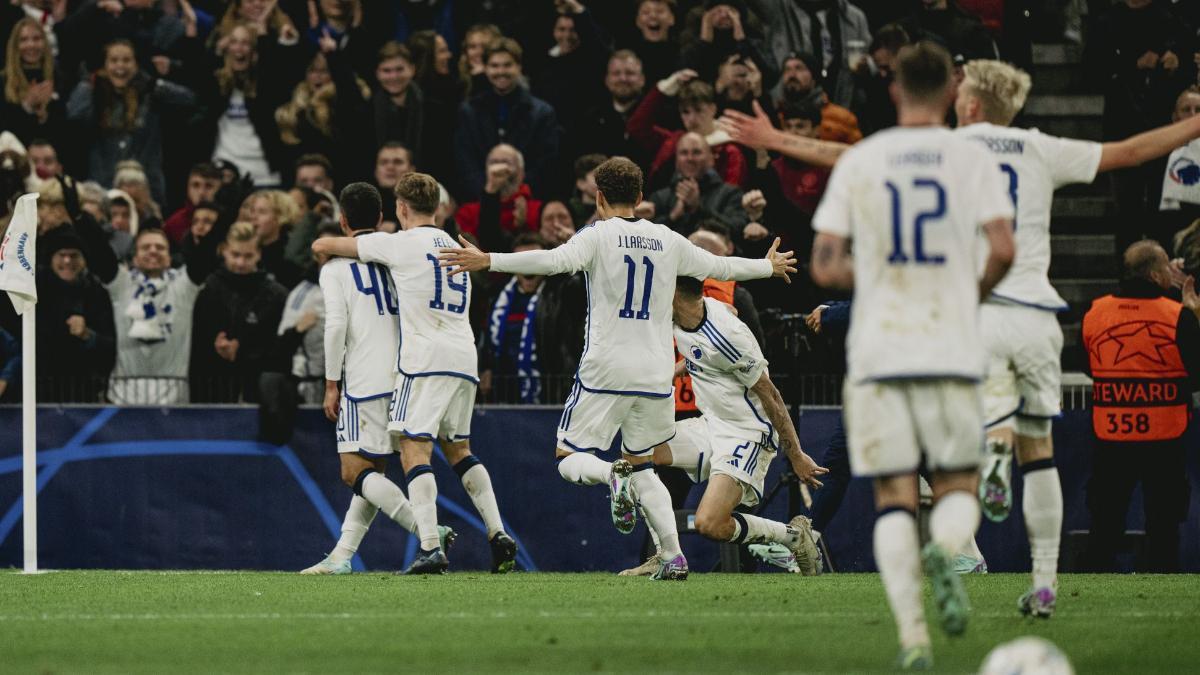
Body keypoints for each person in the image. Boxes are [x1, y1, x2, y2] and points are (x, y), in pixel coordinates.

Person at [438, 157, 798, 581]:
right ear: (641, 197)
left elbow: (553, 261)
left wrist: (489, 260)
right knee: (644, 463)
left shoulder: (598, 234)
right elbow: (720, 266)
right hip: (655, 372)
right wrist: (767, 267)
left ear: (599, 197)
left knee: (568, 456)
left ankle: (613, 475)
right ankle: (672, 555)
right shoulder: (667, 238)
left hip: (606, 368)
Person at [808, 42, 1015, 669]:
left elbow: (824, 264)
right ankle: (953, 550)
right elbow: (1002, 250)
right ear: (953, 92)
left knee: (895, 493)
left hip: (879, 351)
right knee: (953, 483)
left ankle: (913, 640)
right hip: (947, 344)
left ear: (894, 89)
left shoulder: (863, 159)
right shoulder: (971, 158)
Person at [312, 174, 517, 575]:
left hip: (417, 362)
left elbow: (327, 250)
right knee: (459, 449)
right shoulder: (457, 246)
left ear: (401, 210)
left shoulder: (396, 245)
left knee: (402, 453)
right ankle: (497, 532)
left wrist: (331, 381)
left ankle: (428, 541)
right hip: (463, 357)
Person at [619, 275, 827, 577]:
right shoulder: (689, 316)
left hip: (747, 433)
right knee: (638, 451)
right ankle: (667, 554)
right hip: (711, 425)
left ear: (675, 294)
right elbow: (698, 353)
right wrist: (671, 374)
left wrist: (795, 455)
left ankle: (793, 536)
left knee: (710, 524)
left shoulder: (729, 336)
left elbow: (772, 396)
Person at [301, 184, 456, 575]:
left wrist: (331, 382)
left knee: (353, 470)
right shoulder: (398, 256)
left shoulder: (336, 268)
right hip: (408, 374)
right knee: (374, 470)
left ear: (342, 221)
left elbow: (335, 326)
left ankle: (426, 530)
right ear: (383, 216)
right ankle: (341, 556)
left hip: (365, 378)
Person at [1082, 241, 1200, 573]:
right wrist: (1195, 312)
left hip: (1112, 435)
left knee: (1104, 524)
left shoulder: (1096, 311)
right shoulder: (1177, 315)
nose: (1170, 273)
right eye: (1166, 267)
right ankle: (1161, 585)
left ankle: (1090, 592)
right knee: (1163, 527)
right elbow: (1197, 374)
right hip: (1164, 438)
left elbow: (1089, 365)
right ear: (1153, 274)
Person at [66, 39, 196, 205]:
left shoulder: (150, 95)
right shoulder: (95, 96)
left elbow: (189, 100)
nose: (120, 66)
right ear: (105, 65)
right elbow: (74, 115)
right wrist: (88, 83)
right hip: (103, 187)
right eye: (114, 60)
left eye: (127, 60)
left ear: (136, 64)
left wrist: (154, 84)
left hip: (146, 188)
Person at [101, 226, 217, 404]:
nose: (153, 251)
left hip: (172, 399)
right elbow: (98, 249)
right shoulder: (122, 283)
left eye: (160, 247)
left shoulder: (183, 286)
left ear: (169, 259)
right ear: (135, 258)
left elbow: (204, 254)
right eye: (146, 247)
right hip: (121, 398)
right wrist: (77, 216)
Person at [190, 221, 287, 402]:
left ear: (258, 254)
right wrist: (216, 345)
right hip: (213, 388)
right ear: (224, 250)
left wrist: (242, 349)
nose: (241, 262)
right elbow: (198, 340)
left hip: (259, 391)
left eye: (248, 256)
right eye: (235, 255)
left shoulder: (275, 295)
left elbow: (278, 345)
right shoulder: (209, 289)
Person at [454, 37, 560, 201]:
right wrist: (488, 193)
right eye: (494, 66)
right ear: (486, 69)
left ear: (519, 67)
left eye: (507, 65)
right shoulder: (469, 111)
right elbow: (465, 162)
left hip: (526, 201)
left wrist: (518, 194)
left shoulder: (543, 113)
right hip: (480, 201)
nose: (501, 71)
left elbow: (545, 165)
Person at [627, 70, 747, 189]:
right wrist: (666, 88)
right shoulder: (673, 141)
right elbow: (636, 127)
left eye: (699, 110)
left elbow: (730, 198)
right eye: (686, 112)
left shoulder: (729, 152)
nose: (692, 119)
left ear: (713, 109)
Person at [646, 132, 749, 240]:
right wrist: (672, 216)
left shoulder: (731, 194)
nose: (690, 158)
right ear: (676, 160)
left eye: (696, 152)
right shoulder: (660, 197)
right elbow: (647, 238)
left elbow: (738, 231)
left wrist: (698, 209)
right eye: (684, 153)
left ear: (711, 159)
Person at [455, 144, 542, 251]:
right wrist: (491, 192)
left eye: (506, 162)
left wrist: (524, 227)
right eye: (494, 163)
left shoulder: (538, 210)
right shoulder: (467, 213)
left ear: (521, 172)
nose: (498, 169)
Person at [162, 163, 222, 244]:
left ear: (220, 189)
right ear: (188, 188)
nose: (201, 192)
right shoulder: (173, 224)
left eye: (208, 186)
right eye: (195, 185)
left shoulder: (229, 222)